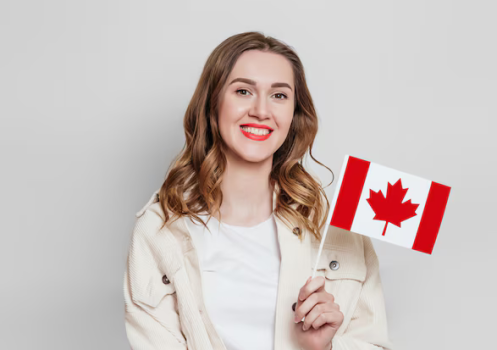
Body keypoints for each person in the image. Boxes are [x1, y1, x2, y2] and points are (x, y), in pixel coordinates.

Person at [123, 31, 393, 350]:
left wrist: (322, 349)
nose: (261, 111)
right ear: (212, 105)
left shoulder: (336, 231)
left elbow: (374, 343)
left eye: (279, 95)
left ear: (294, 115)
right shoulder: (159, 232)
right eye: (243, 91)